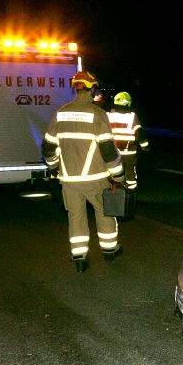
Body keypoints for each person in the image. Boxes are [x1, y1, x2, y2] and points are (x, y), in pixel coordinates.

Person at [43, 70, 125, 273]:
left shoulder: (60, 113)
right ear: (92, 89)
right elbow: (108, 150)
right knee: (104, 213)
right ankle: (109, 251)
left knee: (76, 217)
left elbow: (47, 147)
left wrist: (54, 166)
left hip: (69, 181)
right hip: (95, 179)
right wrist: (118, 174)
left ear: (76, 89)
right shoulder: (98, 114)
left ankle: (79, 257)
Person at [107, 91, 149, 192]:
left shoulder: (107, 115)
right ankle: (131, 194)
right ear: (128, 103)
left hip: (112, 152)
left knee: (111, 172)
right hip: (129, 153)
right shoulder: (132, 116)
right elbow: (139, 133)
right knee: (130, 173)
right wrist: (145, 147)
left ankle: (111, 193)